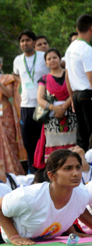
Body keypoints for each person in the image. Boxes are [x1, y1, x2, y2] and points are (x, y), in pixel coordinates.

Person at [0, 149, 92, 245]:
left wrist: (72, 231)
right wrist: (14, 237)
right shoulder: (30, 196)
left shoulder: (81, 194)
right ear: (52, 176)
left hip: (40, 234)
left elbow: (75, 208)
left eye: (78, 167)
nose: (76, 173)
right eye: (68, 168)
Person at [13, 30, 49, 172]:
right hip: (26, 106)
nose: (25, 43)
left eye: (28, 40)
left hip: (43, 105)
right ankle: (32, 172)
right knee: (29, 142)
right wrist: (23, 82)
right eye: (22, 41)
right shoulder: (17, 60)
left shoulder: (43, 56)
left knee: (44, 141)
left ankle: (46, 170)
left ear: (34, 43)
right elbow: (15, 75)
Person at [36, 48, 77, 166]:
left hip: (70, 117)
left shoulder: (69, 74)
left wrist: (64, 107)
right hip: (52, 120)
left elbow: (73, 92)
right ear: (46, 63)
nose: (52, 60)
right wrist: (54, 108)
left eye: (54, 57)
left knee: (72, 146)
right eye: (49, 59)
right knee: (55, 152)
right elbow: (40, 99)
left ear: (60, 59)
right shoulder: (44, 79)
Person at [65, 14, 92, 151]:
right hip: (87, 94)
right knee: (90, 135)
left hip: (76, 94)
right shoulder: (87, 49)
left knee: (82, 137)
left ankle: (84, 167)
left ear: (77, 28)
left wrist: (72, 98)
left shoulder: (71, 48)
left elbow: (67, 77)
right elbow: (91, 77)